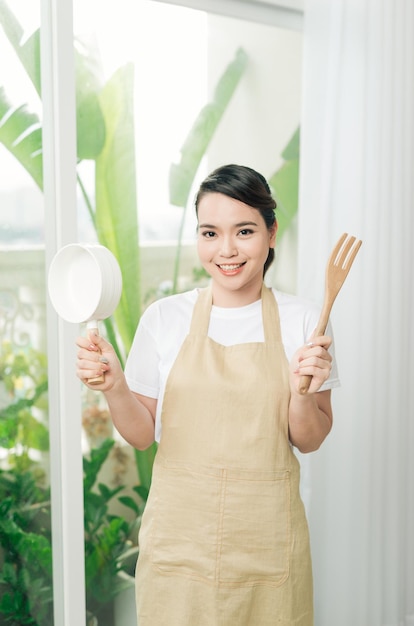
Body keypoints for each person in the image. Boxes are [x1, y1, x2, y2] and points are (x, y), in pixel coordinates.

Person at [76, 164, 340, 626]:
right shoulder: (164, 319)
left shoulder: (305, 321)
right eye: (210, 233)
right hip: (181, 544)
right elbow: (141, 435)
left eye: (244, 231)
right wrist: (115, 385)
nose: (227, 250)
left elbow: (311, 437)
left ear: (271, 233)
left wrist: (302, 393)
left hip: (266, 545)